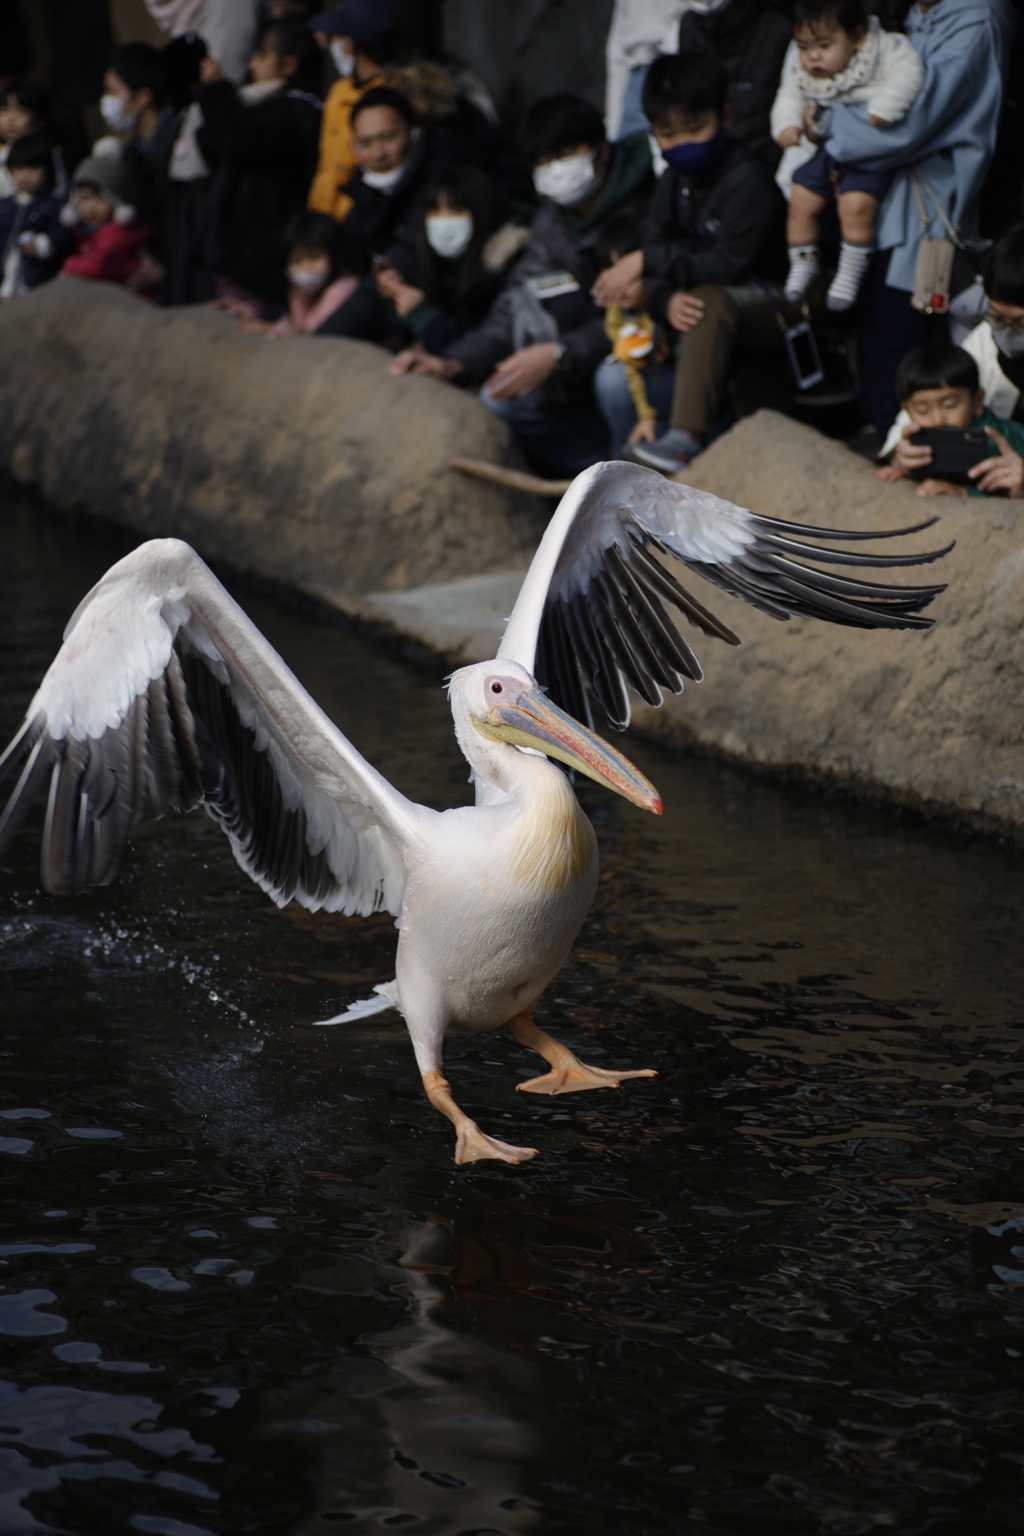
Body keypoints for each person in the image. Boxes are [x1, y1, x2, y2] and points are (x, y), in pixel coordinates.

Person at [415, 94, 654, 479]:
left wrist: (560, 353)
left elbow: (645, 311)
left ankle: (639, 482)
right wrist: (455, 362)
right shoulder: (551, 226)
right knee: (496, 401)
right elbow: (513, 308)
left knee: (615, 380)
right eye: (543, 160)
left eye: (566, 152)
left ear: (602, 151)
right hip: (579, 381)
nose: (556, 168)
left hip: (648, 362)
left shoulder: (651, 203)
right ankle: (593, 474)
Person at [808, 0, 1016, 434]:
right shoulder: (921, 12)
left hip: (922, 232)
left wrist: (827, 119)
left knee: (900, 376)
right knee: (879, 365)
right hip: (885, 218)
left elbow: (905, 128)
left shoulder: (977, 17)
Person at [623, 52, 788, 472]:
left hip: (784, 300)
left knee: (710, 302)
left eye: (695, 128)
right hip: (705, 307)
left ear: (726, 116)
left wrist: (646, 262)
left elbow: (727, 267)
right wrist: (664, 299)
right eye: (668, 133)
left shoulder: (749, 179)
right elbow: (659, 254)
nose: (683, 144)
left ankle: (685, 437)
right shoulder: (672, 183)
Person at [772, 1, 925, 312]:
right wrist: (787, 124)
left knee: (856, 207)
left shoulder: (885, 49)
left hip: (868, 150)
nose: (812, 55)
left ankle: (850, 271)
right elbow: (790, 93)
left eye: (824, 45)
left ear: (857, 36)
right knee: (800, 199)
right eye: (804, 46)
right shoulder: (806, 65)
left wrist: (886, 107)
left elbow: (910, 71)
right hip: (829, 148)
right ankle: (803, 261)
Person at [314, 87, 460, 338]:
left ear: (416, 131)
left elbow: (402, 260)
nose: (378, 153)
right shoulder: (362, 193)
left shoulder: (446, 182)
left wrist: (321, 339)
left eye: (388, 137)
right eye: (365, 143)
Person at [196, 16, 321, 306]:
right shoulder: (259, 104)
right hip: (240, 255)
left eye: (262, 56)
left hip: (263, 254)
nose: (253, 65)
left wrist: (218, 91)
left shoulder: (296, 112)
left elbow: (238, 141)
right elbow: (215, 148)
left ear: (288, 65)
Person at [880, 228, 1024, 458]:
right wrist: (900, 453)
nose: (1007, 331)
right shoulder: (986, 339)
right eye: (997, 317)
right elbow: (927, 395)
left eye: (1020, 322)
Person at [385, 165, 531, 368]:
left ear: (482, 211)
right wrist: (395, 298)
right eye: (434, 211)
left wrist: (423, 317)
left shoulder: (510, 265)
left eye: (456, 211)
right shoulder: (433, 259)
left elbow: (485, 343)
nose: (443, 222)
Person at [876, 341, 1024, 497]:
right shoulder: (915, 444)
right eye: (922, 410)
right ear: (907, 410)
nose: (937, 420)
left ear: (977, 401)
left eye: (950, 405)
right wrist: (900, 467)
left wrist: (965, 493)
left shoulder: (1007, 439)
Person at [590, 214, 676, 457]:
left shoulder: (668, 306)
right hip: (652, 392)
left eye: (628, 275)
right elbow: (633, 370)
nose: (619, 286)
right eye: (609, 276)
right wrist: (647, 417)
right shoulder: (617, 316)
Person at [672, 0, 794, 168]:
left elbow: (793, 104)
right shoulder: (687, 28)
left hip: (766, 165)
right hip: (709, 166)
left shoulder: (778, 27)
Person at [306, 0, 394, 221]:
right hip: (323, 219)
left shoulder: (391, 98)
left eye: (336, 37)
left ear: (349, 44)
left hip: (360, 222)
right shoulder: (339, 91)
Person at [227, 208, 360, 333]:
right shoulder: (298, 294)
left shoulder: (344, 287)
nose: (306, 268)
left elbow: (317, 335)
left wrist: (270, 329)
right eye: (296, 261)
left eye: (314, 257)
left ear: (335, 255)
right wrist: (256, 314)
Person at [101, 43, 178, 232]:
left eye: (113, 91)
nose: (106, 100)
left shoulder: (179, 144)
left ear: (142, 97)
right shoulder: (132, 155)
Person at [61, 144, 156, 288]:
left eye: (99, 199)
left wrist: (69, 264)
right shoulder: (91, 230)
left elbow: (97, 268)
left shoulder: (115, 232)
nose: (91, 207)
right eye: (84, 199)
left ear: (117, 204)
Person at [0, 134, 72, 299]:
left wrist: (43, 244)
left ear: (47, 169)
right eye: (18, 169)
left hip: (39, 283)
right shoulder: (5, 205)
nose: (25, 176)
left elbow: (64, 235)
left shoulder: (54, 205)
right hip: (6, 282)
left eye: (33, 169)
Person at [0, 79, 56, 198]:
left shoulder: (48, 153)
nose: (11, 119)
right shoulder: (3, 151)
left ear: (40, 119)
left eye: (21, 111)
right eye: (4, 110)